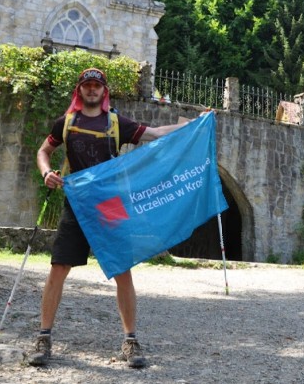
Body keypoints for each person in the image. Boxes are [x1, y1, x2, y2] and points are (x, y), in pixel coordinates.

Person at [29, 67, 189, 368]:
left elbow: (154, 134)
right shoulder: (66, 123)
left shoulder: (116, 123)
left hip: (110, 204)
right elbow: (43, 151)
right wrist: (46, 172)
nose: (92, 90)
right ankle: (43, 337)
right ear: (80, 90)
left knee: (122, 270)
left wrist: (190, 126)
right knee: (58, 268)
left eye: (97, 86)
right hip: (77, 203)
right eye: (87, 85)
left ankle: (130, 341)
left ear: (104, 92)